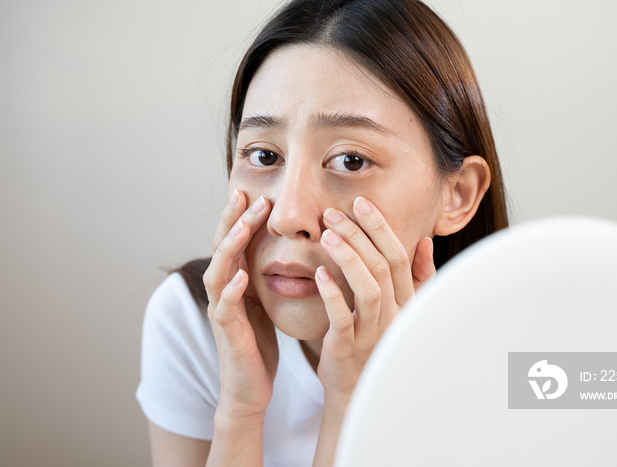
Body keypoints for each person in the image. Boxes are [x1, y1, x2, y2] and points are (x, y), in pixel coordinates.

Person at [136, 0, 508, 465]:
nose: (287, 216)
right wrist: (240, 409)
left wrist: (354, 401)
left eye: (351, 160)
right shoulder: (192, 322)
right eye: (264, 156)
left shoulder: (521, 362)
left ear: (456, 196)